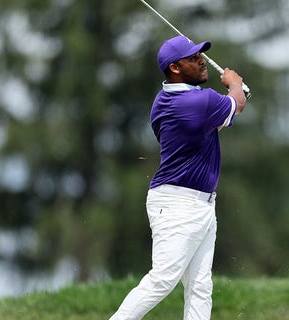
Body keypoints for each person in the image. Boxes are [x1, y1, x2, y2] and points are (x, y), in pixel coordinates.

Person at [108, 35, 247, 320]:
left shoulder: (163, 102)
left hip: (196, 203)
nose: (202, 61)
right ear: (175, 68)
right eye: (194, 58)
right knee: (163, 279)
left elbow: (213, 124)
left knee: (199, 287)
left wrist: (237, 97)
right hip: (180, 204)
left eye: (201, 55)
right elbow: (236, 104)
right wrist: (234, 84)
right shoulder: (199, 101)